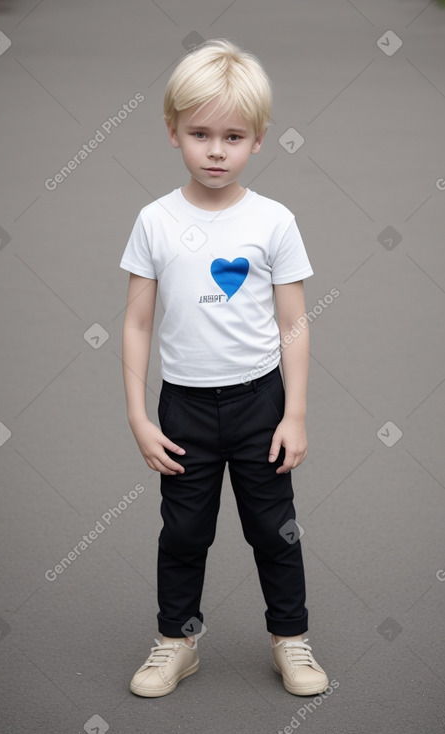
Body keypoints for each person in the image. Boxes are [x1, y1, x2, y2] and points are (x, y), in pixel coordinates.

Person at [120, 38, 329, 698]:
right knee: (184, 533)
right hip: (183, 407)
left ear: (258, 140)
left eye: (232, 136)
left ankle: (290, 640)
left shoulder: (272, 222)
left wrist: (293, 412)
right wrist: (138, 415)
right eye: (200, 133)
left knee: (275, 529)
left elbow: (293, 322)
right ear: (172, 132)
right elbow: (135, 324)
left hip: (259, 405)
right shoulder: (155, 221)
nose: (215, 150)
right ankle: (175, 644)